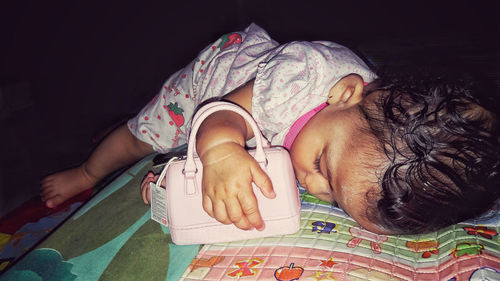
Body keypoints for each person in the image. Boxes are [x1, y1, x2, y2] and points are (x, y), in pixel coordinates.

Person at [41, 23, 500, 234]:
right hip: (217, 85)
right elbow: (220, 120)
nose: (313, 185)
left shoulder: (348, 136)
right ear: (343, 95)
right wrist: (214, 157)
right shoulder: (302, 74)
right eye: (322, 165)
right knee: (144, 137)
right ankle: (87, 170)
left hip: (256, 117)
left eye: (334, 198)